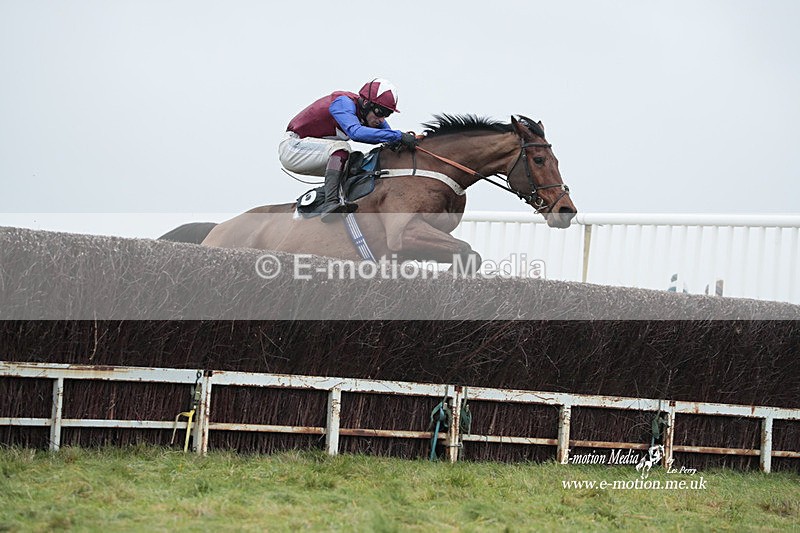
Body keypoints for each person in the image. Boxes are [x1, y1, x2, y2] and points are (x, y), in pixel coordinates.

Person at [279, 78, 418, 222]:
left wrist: (404, 141)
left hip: (312, 150)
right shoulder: (343, 103)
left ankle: (331, 198)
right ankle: (330, 203)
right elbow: (356, 133)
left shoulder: (370, 114)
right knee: (341, 149)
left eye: (387, 114)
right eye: (380, 112)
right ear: (365, 103)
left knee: (358, 161)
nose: (382, 119)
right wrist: (398, 136)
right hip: (293, 147)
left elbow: (389, 136)